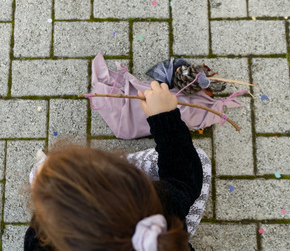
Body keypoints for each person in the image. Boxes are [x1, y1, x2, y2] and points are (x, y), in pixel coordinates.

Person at [25, 81, 211, 251]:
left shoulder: (39, 244)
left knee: (42, 174)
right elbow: (185, 179)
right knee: (199, 161)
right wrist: (165, 118)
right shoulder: (163, 210)